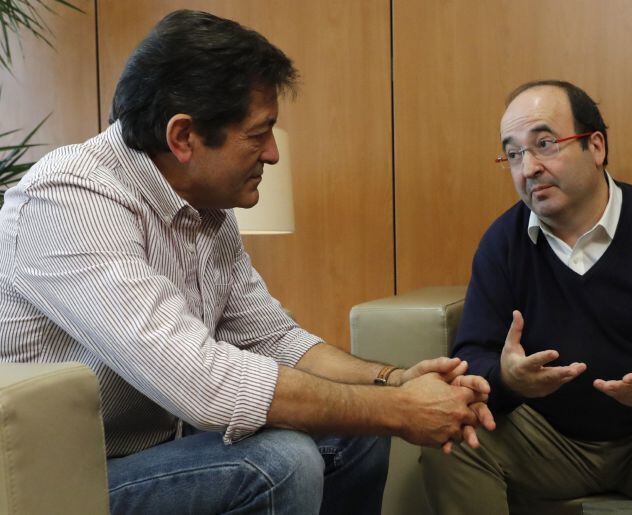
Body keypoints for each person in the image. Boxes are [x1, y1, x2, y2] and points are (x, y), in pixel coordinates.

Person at [0, 10, 495, 515]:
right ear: (183, 137)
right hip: (59, 480)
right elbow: (204, 383)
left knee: (357, 433)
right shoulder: (69, 199)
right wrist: (397, 411)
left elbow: (274, 340)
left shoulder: (207, 209)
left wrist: (395, 381)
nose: (274, 154)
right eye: (259, 134)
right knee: (281, 461)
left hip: (161, 447)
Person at [421, 80, 632, 513]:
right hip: (547, 445)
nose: (528, 168)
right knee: (451, 435)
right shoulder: (502, 244)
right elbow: (472, 355)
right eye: (513, 154)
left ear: (597, 146)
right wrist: (508, 378)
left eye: (544, 144)